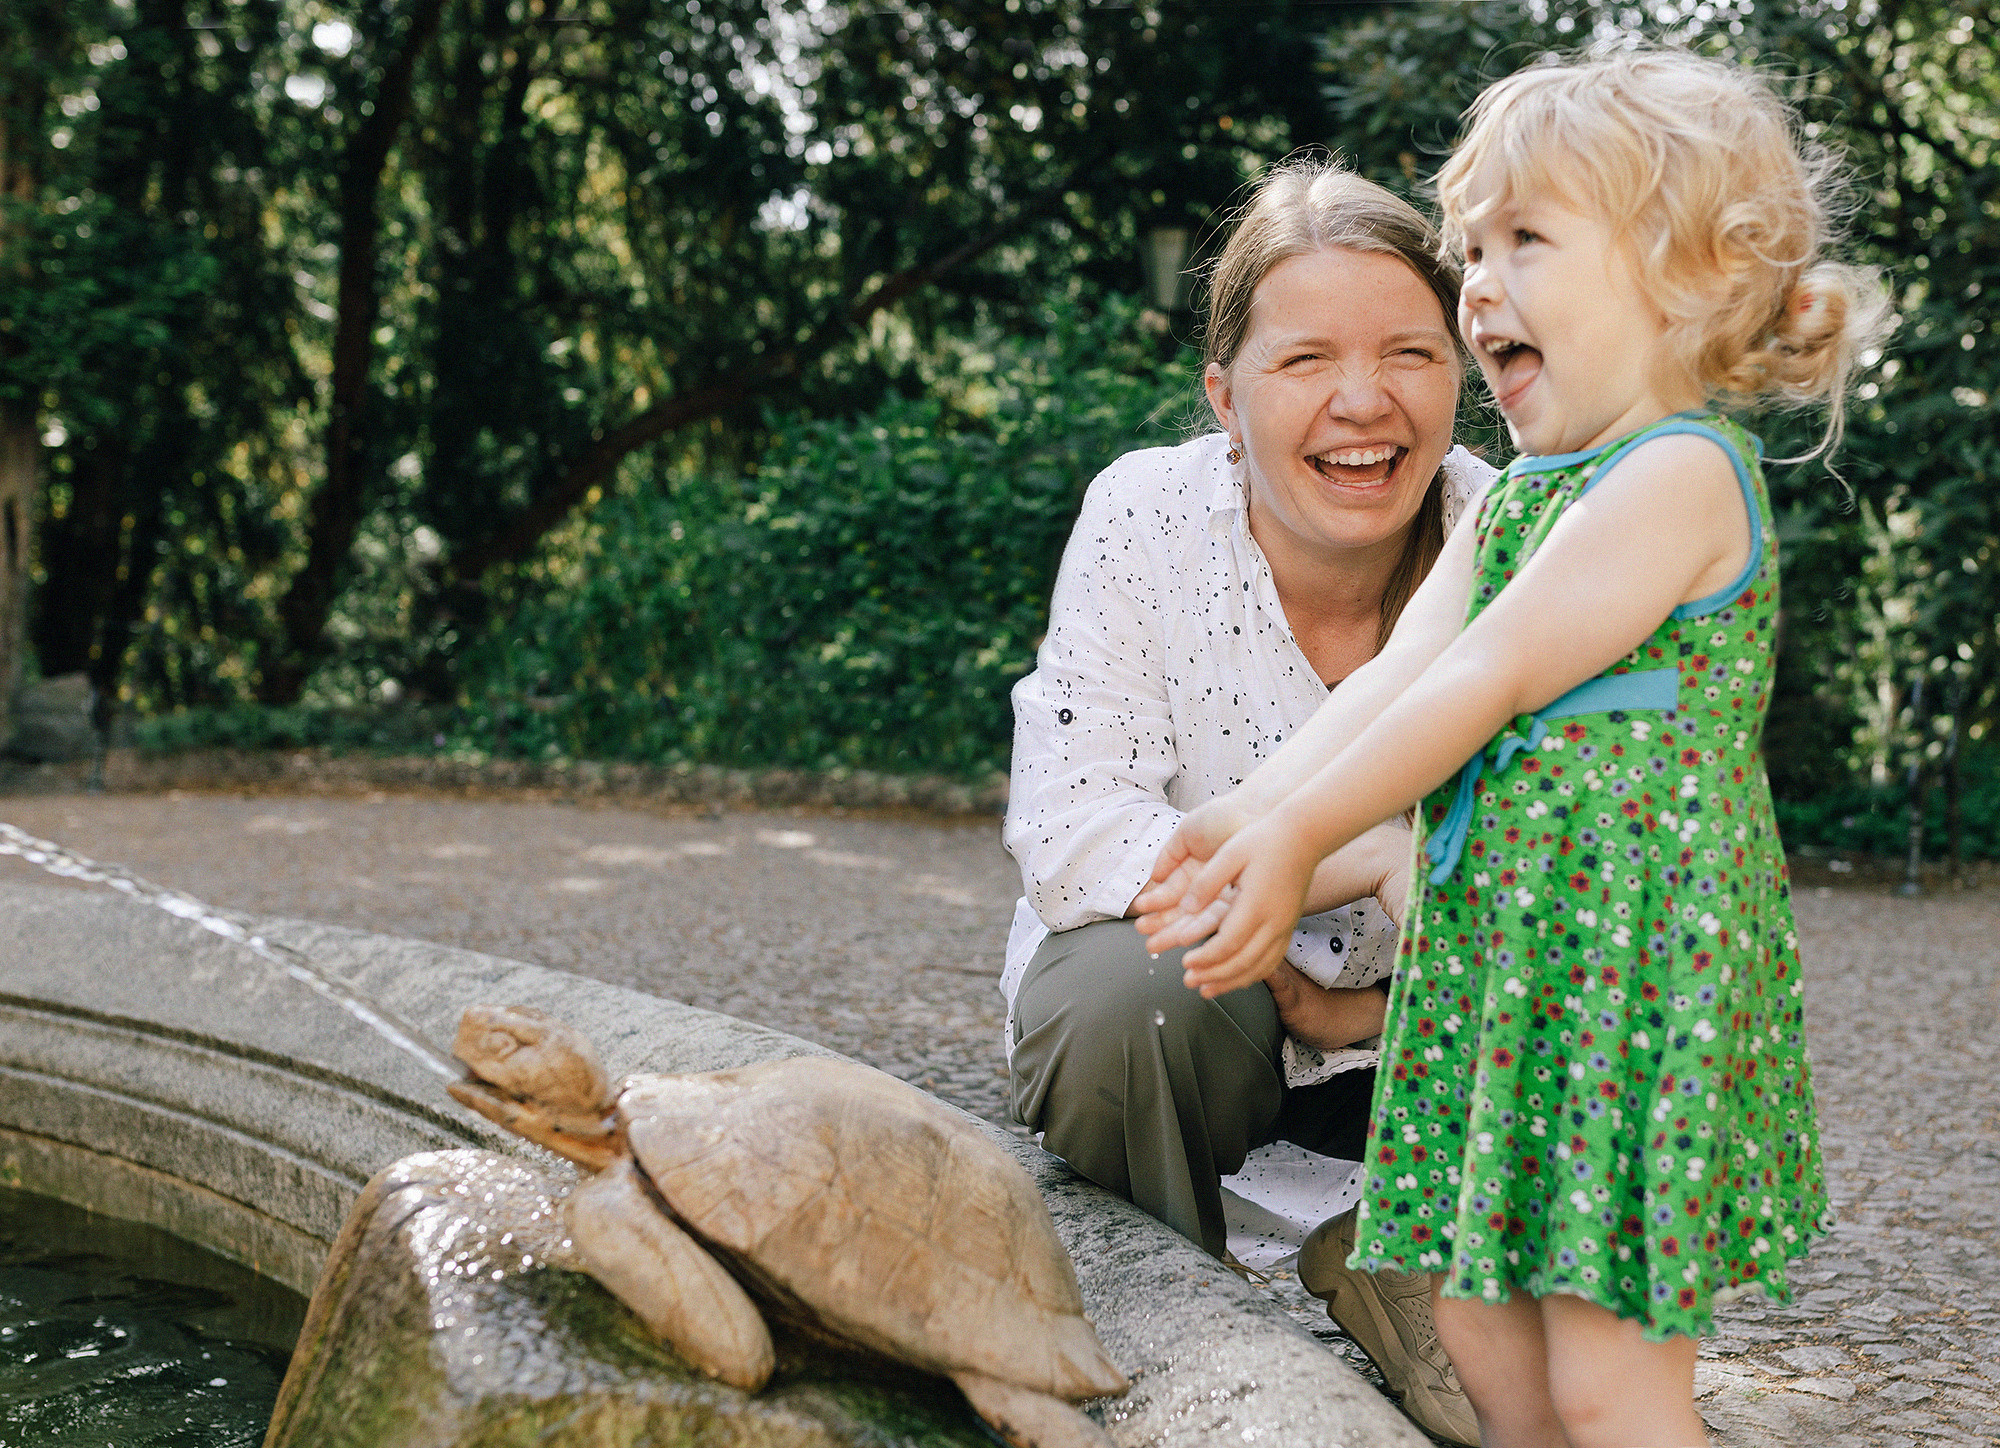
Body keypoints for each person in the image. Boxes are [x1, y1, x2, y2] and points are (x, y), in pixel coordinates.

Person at [1137, 48, 1894, 1448]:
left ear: (1684, 278)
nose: (1477, 281)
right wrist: (1252, 806)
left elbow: (1486, 675)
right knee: (1481, 1328)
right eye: (1470, 247)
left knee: (1610, 1374)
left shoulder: (1676, 475)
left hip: (1623, 987)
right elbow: (1400, 675)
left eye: (1525, 241)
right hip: (1510, 975)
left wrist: (1305, 838)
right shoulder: (1524, 499)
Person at [1002, 155, 1493, 1446]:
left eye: (1410, 353)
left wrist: (1370, 990)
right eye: (1303, 361)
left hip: (1426, 1035)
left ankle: (1409, 1263)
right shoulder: (1145, 519)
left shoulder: (1514, 536)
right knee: (1130, 1000)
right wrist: (1351, 855)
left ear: (1464, 370)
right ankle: (1173, 1323)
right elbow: (1069, 839)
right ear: (1225, 393)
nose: (1363, 401)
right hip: (1194, 1016)